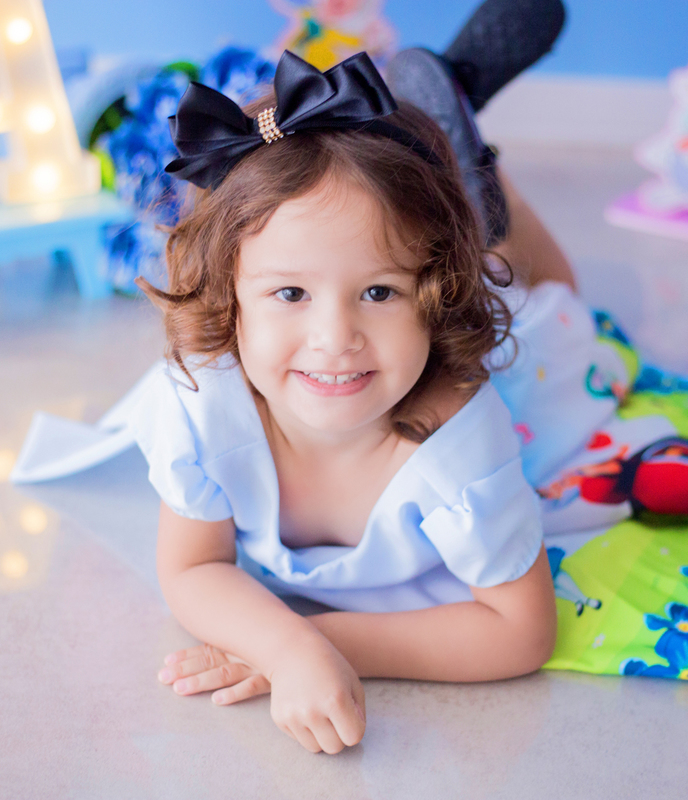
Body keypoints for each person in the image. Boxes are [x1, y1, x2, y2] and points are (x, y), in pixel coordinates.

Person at [138, 44, 587, 754]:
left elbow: (522, 629)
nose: (334, 338)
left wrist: (319, 644)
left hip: (529, 362)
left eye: (378, 292)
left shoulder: (458, 445)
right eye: (290, 293)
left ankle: (488, 181)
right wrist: (285, 649)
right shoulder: (206, 403)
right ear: (229, 294)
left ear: (433, 297)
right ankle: (458, 175)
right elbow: (191, 566)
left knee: (553, 308)